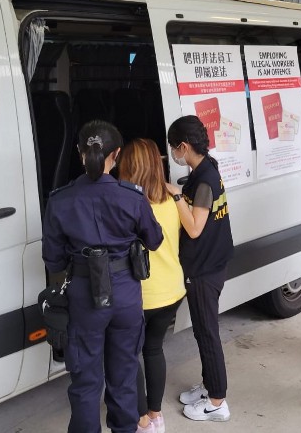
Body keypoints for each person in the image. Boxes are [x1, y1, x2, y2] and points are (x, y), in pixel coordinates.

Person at [42, 121, 163, 433]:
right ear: (117, 154)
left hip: (83, 296)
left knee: (85, 383)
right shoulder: (132, 197)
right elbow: (154, 240)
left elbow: (53, 260)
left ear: (80, 153)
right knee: (123, 377)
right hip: (125, 295)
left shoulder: (60, 199)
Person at [165, 115, 234, 422]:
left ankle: (217, 401)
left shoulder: (204, 179)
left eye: (173, 148)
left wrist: (176, 196)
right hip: (210, 262)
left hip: (205, 269)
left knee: (207, 332)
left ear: (183, 146)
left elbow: (194, 228)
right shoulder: (205, 168)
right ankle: (209, 386)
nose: (173, 154)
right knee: (203, 330)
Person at [118, 138, 187, 433]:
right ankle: (156, 416)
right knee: (154, 349)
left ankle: (142, 420)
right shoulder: (171, 200)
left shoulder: (127, 205)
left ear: (129, 167)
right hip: (172, 291)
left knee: (128, 354)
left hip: (142, 295)